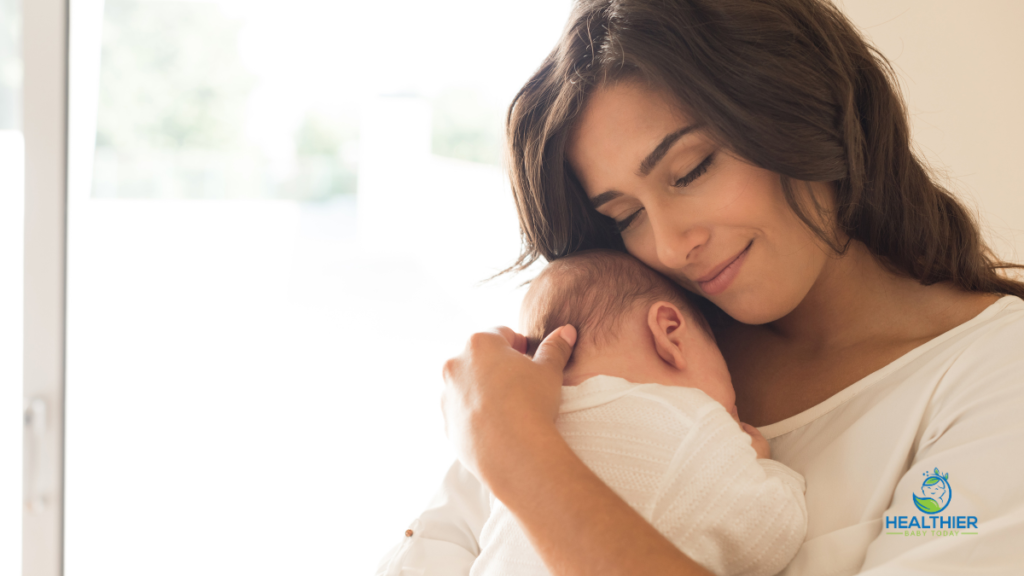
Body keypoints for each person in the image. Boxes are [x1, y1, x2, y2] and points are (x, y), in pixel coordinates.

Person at [391, 0, 1024, 574]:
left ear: (802, 108)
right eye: (625, 216)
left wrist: (522, 460)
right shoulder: (623, 351)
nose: (669, 246)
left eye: (690, 170)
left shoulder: (994, 376)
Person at [467, 249, 806, 576]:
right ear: (670, 332)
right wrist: (763, 465)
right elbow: (771, 537)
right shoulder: (690, 422)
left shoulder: (528, 439)